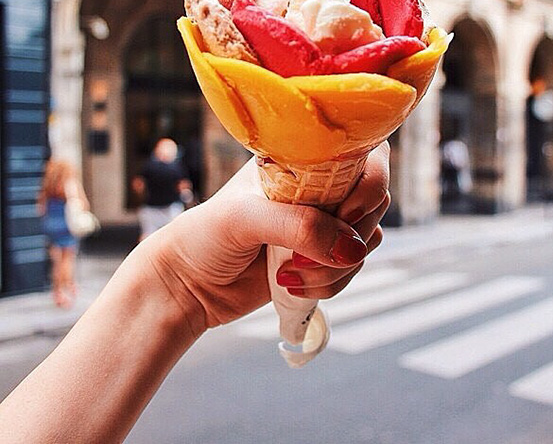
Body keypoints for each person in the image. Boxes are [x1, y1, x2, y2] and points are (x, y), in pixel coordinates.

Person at [0, 142, 390, 443]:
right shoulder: (170, 169)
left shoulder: (144, 169)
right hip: (168, 215)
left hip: (147, 221)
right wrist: (176, 281)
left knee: (65, 256)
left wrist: (178, 282)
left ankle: (61, 288)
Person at [38, 158, 91, 308]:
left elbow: (41, 208)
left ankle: (57, 292)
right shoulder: (70, 185)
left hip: (51, 224)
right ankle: (67, 288)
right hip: (66, 225)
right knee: (67, 259)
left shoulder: (48, 186)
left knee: (56, 261)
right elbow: (83, 203)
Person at [132, 137, 193, 241]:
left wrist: (141, 196)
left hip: (151, 207)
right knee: (173, 237)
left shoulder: (148, 166)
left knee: (147, 237)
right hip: (171, 208)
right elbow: (183, 186)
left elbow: (138, 184)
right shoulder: (177, 168)